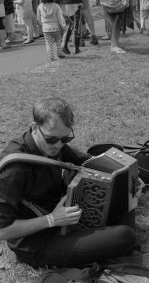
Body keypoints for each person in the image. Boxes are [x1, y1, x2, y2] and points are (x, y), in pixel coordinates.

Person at [0, 97, 137, 268]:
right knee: (125, 235)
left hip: (65, 220)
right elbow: (3, 230)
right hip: (39, 242)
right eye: (51, 139)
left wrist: (128, 177)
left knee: (126, 196)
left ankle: (112, 238)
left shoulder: (55, 142)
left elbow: (87, 161)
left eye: (65, 139)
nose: (58, 145)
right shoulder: (13, 169)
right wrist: (52, 220)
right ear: (35, 127)